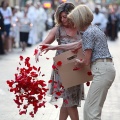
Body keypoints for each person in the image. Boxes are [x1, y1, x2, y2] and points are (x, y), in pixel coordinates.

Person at [41, 4, 116, 120]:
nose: (72, 22)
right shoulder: (94, 29)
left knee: (90, 111)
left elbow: (86, 61)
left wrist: (77, 63)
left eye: (73, 18)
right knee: (88, 108)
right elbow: (76, 45)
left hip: (101, 70)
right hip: (105, 69)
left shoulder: (88, 33)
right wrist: (52, 47)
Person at [35, 2, 84, 120]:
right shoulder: (58, 29)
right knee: (69, 100)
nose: (63, 19)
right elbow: (44, 43)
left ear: (72, 15)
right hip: (62, 68)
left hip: (77, 66)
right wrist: (38, 50)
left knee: (68, 99)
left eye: (65, 17)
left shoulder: (80, 28)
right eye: (61, 17)